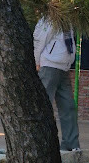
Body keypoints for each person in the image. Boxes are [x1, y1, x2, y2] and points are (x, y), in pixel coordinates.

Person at [33, 17, 80, 151]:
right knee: (44, 106)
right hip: (49, 65)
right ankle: (40, 144)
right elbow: (39, 40)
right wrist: (36, 62)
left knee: (68, 106)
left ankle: (70, 145)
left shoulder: (68, 20)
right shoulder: (49, 18)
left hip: (64, 68)